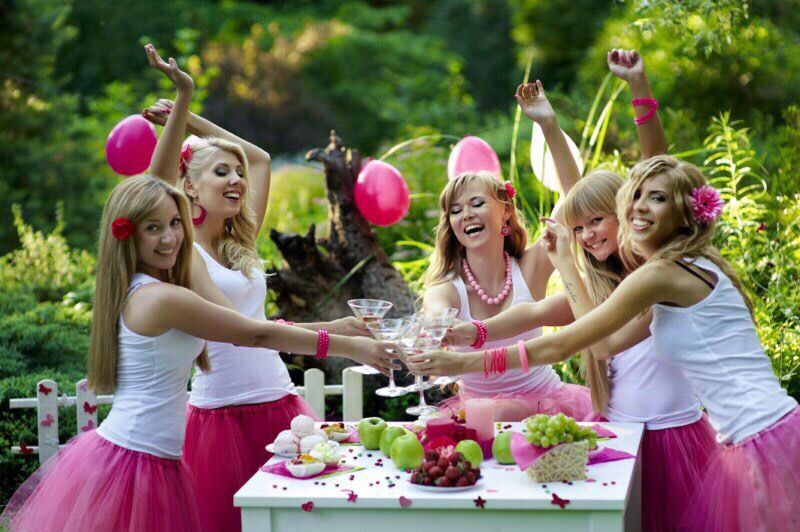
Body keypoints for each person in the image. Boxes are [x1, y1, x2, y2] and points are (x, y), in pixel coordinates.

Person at [409, 154, 800, 531]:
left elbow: (575, 346)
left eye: (655, 199)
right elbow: (554, 320)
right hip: (751, 433)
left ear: (684, 211)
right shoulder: (675, 269)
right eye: (635, 198)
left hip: (761, 433)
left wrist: (464, 362)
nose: (639, 207)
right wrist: (473, 332)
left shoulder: (661, 274)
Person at [1, 176, 397, 531]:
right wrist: (349, 347)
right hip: (138, 463)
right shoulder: (161, 298)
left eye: (175, 223)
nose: (170, 238)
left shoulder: (144, 288)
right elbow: (252, 334)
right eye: (153, 228)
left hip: (145, 457)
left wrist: (335, 329)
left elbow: (246, 326)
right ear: (128, 235)